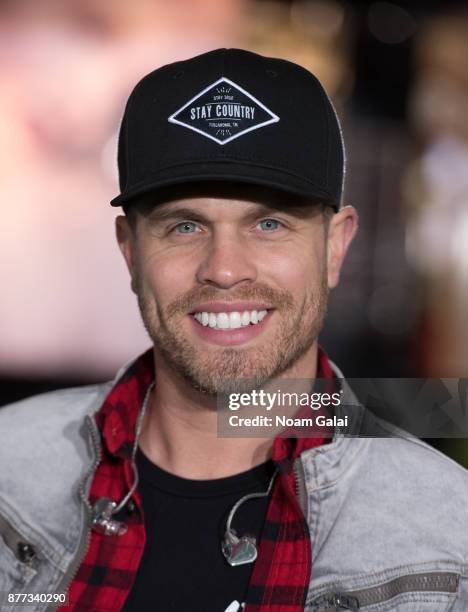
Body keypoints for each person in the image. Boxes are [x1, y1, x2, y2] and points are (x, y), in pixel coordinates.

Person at [0, 48, 467, 612]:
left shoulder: (447, 533)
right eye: (184, 226)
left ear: (334, 247)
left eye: (269, 224)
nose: (223, 268)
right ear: (131, 252)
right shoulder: (9, 472)